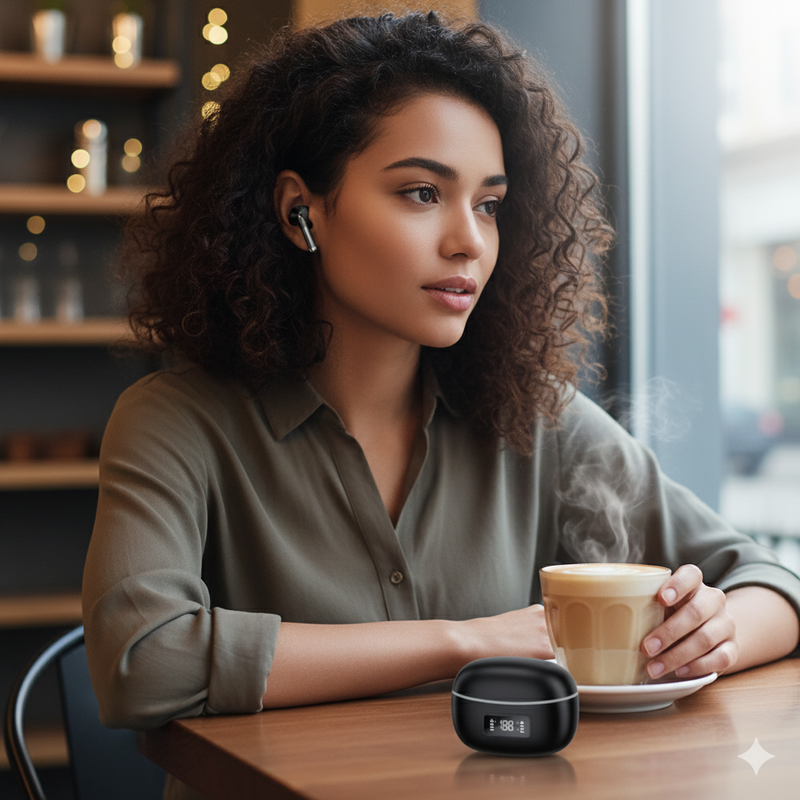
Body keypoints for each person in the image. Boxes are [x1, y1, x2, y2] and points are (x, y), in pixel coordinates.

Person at [83, 9, 799, 791]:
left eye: (489, 204)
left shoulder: (536, 420)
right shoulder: (175, 422)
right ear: (300, 211)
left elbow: (773, 583)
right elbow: (140, 662)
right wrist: (465, 642)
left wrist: (712, 632)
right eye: (422, 192)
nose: (470, 241)